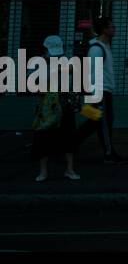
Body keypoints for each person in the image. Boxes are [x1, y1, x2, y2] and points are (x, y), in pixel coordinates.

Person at [75, 17, 124, 163]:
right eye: (111, 27)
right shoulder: (97, 49)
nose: (114, 28)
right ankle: (109, 154)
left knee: (94, 122)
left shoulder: (105, 46)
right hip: (99, 92)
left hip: (103, 91)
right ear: (104, 29)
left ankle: (68, 146)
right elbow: (91, 72)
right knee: (104, 122)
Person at [32, 36, 80, 182]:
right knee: (43, 138)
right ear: (45, 49)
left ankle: (70, 169)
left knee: (68, 137)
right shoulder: (38, 63)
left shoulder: (65, 61)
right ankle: (43, 172)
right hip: (47, 106)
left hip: (64, 103)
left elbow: (73, 72)